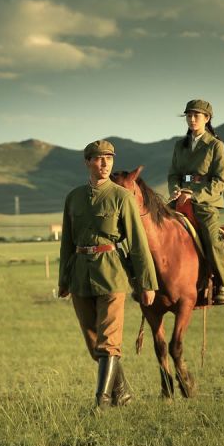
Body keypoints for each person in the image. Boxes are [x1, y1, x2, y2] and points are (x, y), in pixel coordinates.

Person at [58, 139, 158, 408]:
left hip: (112, 273)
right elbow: (67, 241)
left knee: (109, 342)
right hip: (80, 275)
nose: (104, 164)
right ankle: (122, 392)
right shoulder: (74, 197)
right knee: (95, 345)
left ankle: (101, 401)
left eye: (109, 159)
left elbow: (138, 243)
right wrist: (63, 281)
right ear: (87, 162)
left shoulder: (122, 197)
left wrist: (147, 283)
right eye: (99, 159)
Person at [168, 99, 224, 305]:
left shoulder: (215, 146)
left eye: (196, 115)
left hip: (206, 202)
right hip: (181, 199)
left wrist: (195, 195)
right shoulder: (180, 145)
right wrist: (176, 190)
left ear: (207, 118)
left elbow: (220, 180)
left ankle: (223, 284)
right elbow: (173, 174)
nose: (192, 119)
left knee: (212, 239)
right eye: (189, 115)